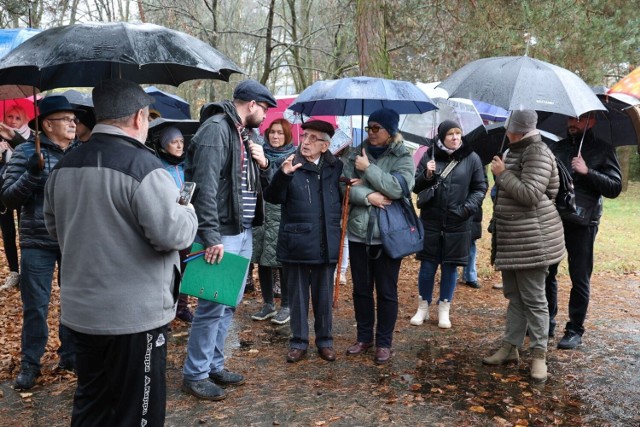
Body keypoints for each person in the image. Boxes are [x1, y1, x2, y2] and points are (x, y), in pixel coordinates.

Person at [43, 79, 198, 425]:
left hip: (82, 314)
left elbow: (55, 229)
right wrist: (187, 208)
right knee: (139, 412)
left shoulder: (64, 166)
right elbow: (172, 234)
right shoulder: (144, 168)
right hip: (134, 318)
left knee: (91, 406)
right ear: (139, 117)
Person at [182, 80, 276, 400]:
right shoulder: (216, 129)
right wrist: (209, 236)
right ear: (251, 105)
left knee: (228, 304)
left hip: (243, 231)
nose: (265, 116)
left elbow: (247, 184)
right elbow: (204, 187)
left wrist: (263, 162)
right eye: (264, 109)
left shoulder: (244, 133)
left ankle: (213, 365)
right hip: (221, 233)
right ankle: (195, 373)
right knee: (211, 305)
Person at [0, 96, 80, 390]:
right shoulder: (25, 152)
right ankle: (30, 363)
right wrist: (34, 173)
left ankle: (70, 354)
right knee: (36, 305)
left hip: (73, 239)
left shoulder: (81, 152)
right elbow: (7, 197)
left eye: (74, 119)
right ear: (48, 124)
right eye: (66, 119)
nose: (73, 123)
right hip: (37, 241)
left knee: (73, 300)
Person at [482, 109, 565, 382]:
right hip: (512, 238)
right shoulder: (514, 150)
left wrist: (503, 174)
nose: (506, 132)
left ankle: (539, 356)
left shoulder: (538, 152)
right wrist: (503, 173)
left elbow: (531, 195)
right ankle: (510, 347)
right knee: (514, 296)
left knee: (534, 299)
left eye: (509, 128)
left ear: (519, 129)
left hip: (533, 241)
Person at [264, 120, 343, 363]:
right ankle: (298, 342)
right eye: (305, 136)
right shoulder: (288, 163)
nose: (305, 142)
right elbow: (272, 197)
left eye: (313, 138)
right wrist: (283, 175)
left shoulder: (335, 166)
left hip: (326, 240)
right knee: (297, 296)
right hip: (296, 240)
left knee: (323, 295)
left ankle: (325, 341)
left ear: (325, 145)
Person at [341, 108, 414, 364]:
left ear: (390, 131)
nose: (371, 133)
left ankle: (384, 342)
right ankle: (364, 337)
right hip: (360, 232)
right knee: (361, 289)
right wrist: (369, 195)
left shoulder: (403, 155)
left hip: (388, 235)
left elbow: (398, 189)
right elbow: (344, 186)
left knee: (386, 291)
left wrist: (368, 170)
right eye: (369, 128)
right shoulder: (355, 152)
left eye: (376, 128)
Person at [545, 112, 622, 349]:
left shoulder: (603, 149)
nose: (572, 123)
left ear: (592, 122)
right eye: (570, 119)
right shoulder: (556, 148)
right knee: (548, 271)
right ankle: (546, 321)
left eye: (578, 120)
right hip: (555, 217)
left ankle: (574, 329)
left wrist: (588, 171)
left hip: (584, 221)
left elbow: (615, 187)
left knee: (579, 276)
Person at [410, 120, 487, 328]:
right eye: (450, 134)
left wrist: (466, 209)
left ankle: (445, 308)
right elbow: (415, 187)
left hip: (458, 221)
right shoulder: (430, 155)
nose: (455, 138)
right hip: (432, 220)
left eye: (458, 133)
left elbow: (480, 187)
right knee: (427, 265)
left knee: (450, 267)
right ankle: (423, 307)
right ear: (442, 136)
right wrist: (426, 174)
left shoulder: (471, 157)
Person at [251, 119, 296, 324]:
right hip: (260, 211)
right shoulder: (259, 153)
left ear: (287, 135)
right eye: (272, 132)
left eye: (280, 133)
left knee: (281, 260)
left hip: (281, 212)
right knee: (262, 258)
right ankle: (268, 303)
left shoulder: (293, 157)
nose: (275, 136)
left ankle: (286, 305)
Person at [156, 125, 196, 323]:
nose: (179, 145)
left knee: (185, 265)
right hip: (167, 223)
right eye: (174, 142)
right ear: (164, 145)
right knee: (167, 269)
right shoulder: (158, 167)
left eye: (181, 141)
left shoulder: (188, 165)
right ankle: (165, 309)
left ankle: (182, 306)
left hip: (187, 221)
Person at [0, 105, 30, 291]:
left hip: (23, 192)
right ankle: (13, 272)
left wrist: (13, 141)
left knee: (25, 232)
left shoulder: (30, 139)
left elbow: (33, 158)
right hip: (3, 193)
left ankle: (27, 272)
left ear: (24, 119)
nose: (12, 120)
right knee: (7, 232)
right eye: (9, 116)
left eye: (17, 118)